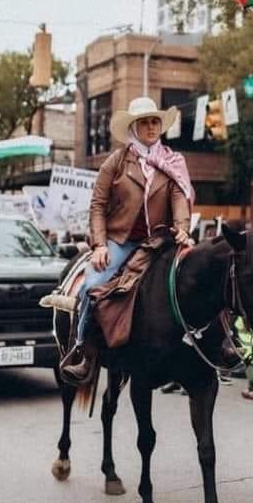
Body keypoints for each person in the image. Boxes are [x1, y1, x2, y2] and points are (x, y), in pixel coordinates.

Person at [62, 97, 194, 382]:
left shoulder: (172, 161)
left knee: (194, 277)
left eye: (155, 121)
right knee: (92, 286)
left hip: (159, 242)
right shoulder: (117, 161)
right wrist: (99, 245)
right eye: (145, 122)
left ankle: (205, 347)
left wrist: (183, 227)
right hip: (121, 241)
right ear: (134, 127)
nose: (151, 127)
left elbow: (180, 196)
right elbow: (97, 205)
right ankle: (83, 351)